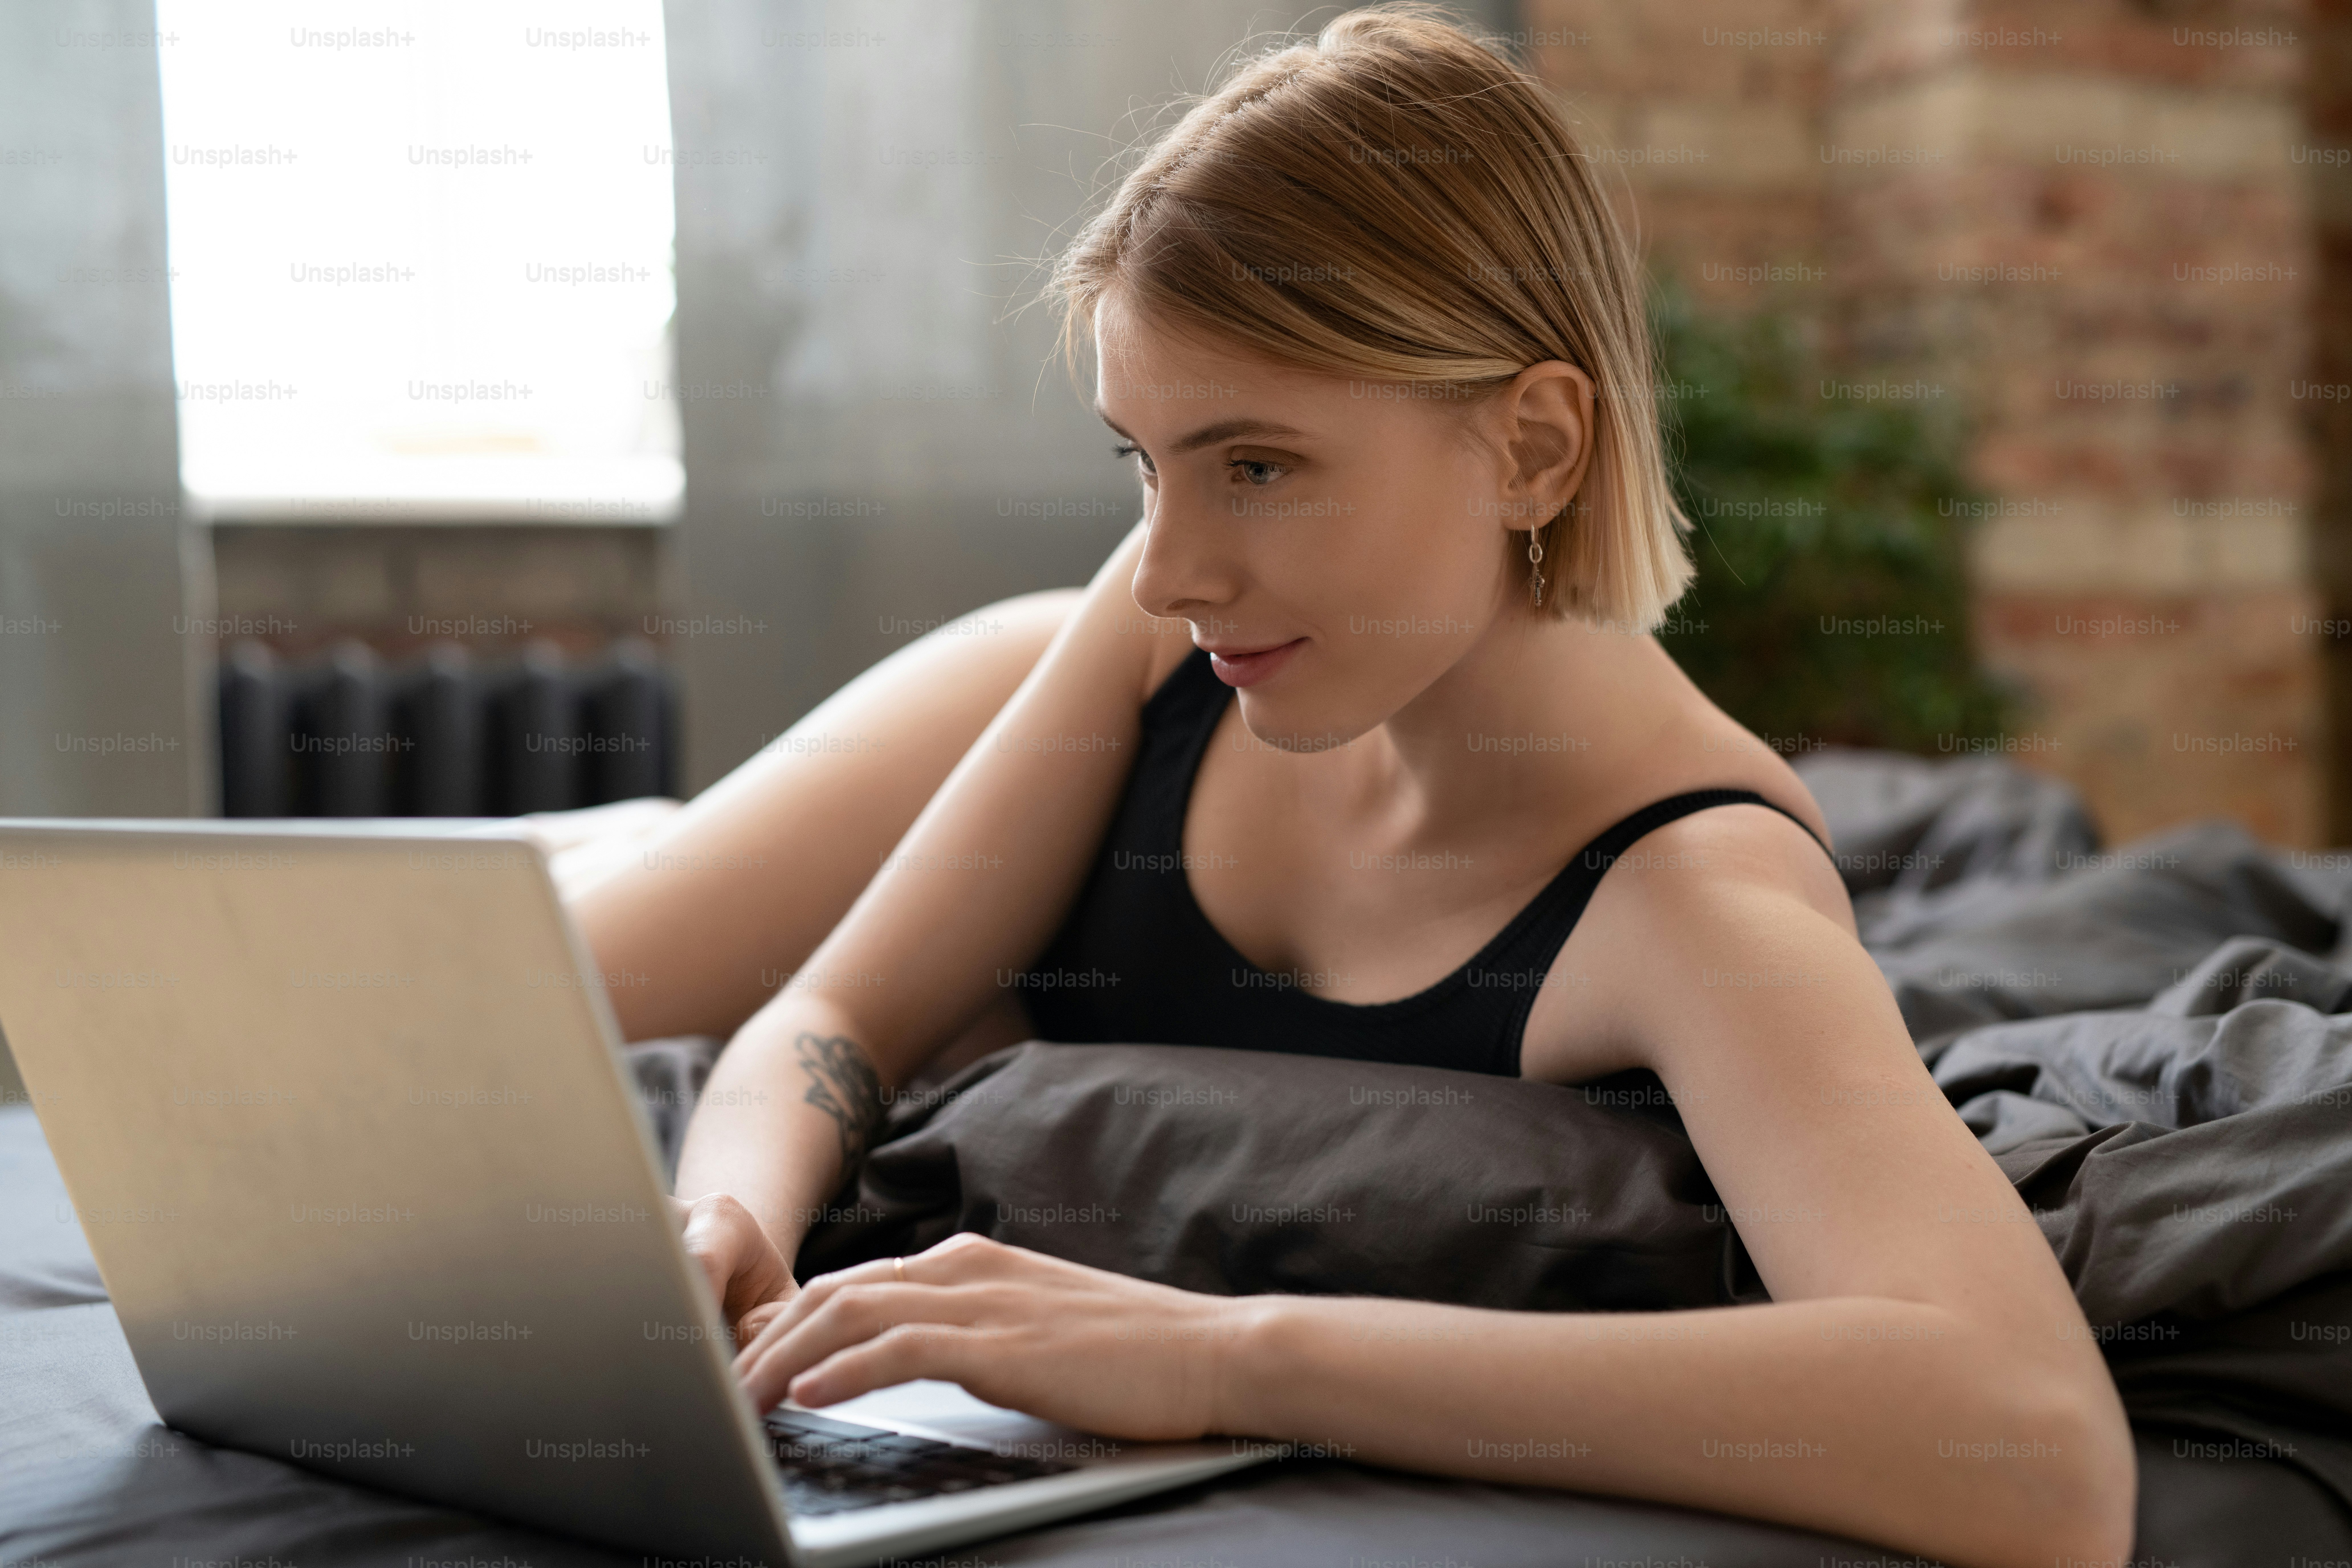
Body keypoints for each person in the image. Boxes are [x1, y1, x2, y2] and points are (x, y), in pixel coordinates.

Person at [553, 9, 2135, 1563]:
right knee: (512, 1011)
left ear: (1531, 449)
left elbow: (2038, 1453)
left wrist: (1224, 1357)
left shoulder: (1691, 894)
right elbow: (831, 1022)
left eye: (1258, 467)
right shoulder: (1143, 639)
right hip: (1009, 690)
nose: (1165, 571)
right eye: (1142, 464)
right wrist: (736, 1219)